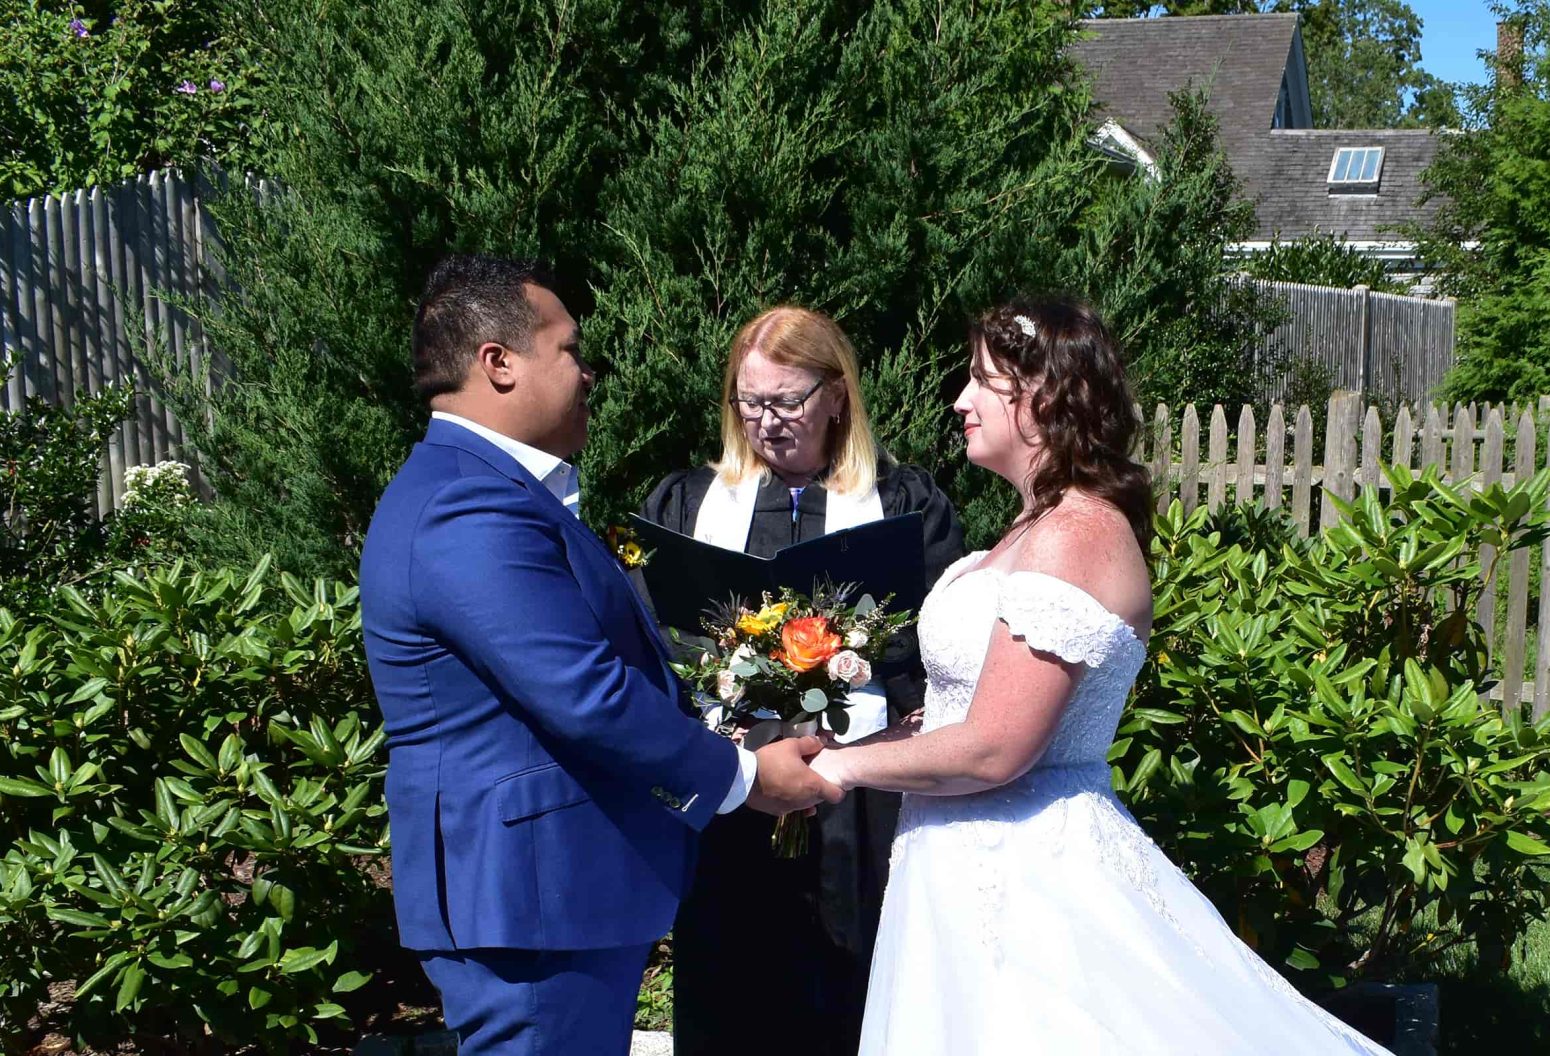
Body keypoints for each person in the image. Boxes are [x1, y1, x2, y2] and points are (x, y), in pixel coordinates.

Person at [809, 295, 1393, 1055]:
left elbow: (995, 749)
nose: (960, 400)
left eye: (982, 382)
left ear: (1044, 395)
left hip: (1030, 878)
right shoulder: (1029, 530)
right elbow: (964, 714)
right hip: (958, 865)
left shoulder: (1077, 535)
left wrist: (842, 767)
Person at [357, 255, 843, 1056]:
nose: (590, 373)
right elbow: (582, 692)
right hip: (531, 896)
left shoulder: (484, 491)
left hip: (548, 895)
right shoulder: (466, 503)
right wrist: (747, 778)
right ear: (498, 363)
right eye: (571, 350)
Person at [638, 305, 963, 1056]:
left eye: (788, 401)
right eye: (750, 402)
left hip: (863, 788)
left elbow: (942, 631)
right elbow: (657, 628)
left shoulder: (906, 502)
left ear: (837, 395)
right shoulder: (688, 501)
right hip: (734, 782)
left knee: (856, 980)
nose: (767, 421)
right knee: (734, 987)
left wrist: (844, 655)